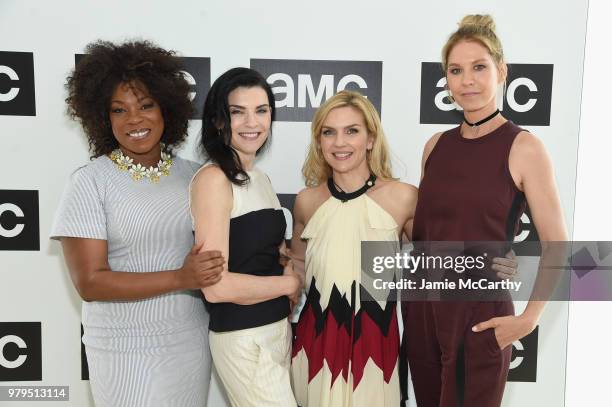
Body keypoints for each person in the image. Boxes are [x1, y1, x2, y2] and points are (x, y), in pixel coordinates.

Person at [402, 15, 568, 407]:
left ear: (502, 72)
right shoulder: (435, 146)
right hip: (424, 311)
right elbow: (426, 233)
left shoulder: (524, 147)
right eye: (456, 71)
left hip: (479, 315)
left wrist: (529, 319)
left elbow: (557, 244)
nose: (468, 81)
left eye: (479, 67)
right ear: (446, 80)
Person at [50, 40, 224, 407]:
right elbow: (90, 282)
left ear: (167, 109)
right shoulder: (90, 181)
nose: (135, 119)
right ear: (103, 117)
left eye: (146, 105)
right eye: (119, 110)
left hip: (188, 342)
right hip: (121, 347)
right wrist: (180, 278)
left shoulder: (196, 177)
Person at [189, 67, 301, 407]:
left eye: (261, 110)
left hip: (275, 330)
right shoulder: (214, 180)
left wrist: (286, 265)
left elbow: (268, 253)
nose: (252, 123)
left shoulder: (260, 178)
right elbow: (216, 285)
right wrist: (288, 285)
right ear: (219, 120)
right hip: (243, 337)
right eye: (238, 111)